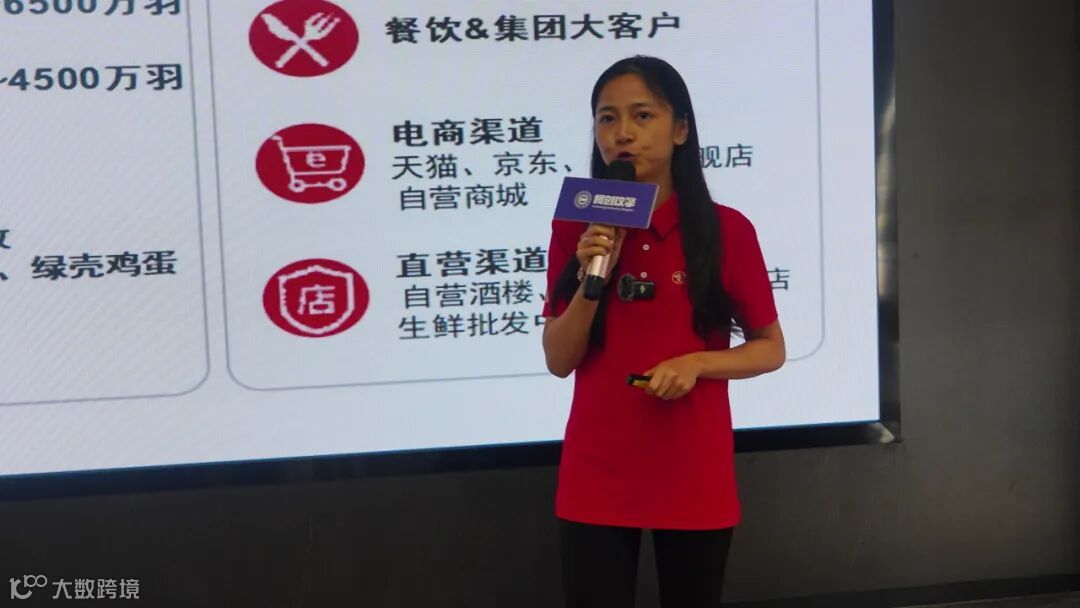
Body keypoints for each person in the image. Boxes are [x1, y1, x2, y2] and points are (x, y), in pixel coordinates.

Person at [541, 55, 787, 607]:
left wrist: (696, 362)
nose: (622, 133)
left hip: (692, 465)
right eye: (607, 118)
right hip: (597, 468)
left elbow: (770, 349)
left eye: (642, 115)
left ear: (680, 130)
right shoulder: (578, 223)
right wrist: (591, 278)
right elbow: (558, 359)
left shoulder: (727, 230)